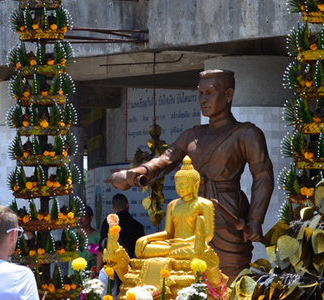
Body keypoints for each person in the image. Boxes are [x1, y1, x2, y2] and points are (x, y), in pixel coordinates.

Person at [111, 69, 275, 280]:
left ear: (228, 94)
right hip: (190, 212)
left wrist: (255, 218)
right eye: (200, 93)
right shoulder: (192, 135)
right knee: (187, 277)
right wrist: (137, 173)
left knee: (227, 280)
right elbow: (165, 160)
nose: (203, 99)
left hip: (226, 212)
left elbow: (262, 175)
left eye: (210, 93)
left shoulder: (246, 133)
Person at [98, 194, 145, 259]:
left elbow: (101, 250)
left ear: (113, 208)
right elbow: (141, 251)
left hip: (111, 265)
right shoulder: (138, 226)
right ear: (127, 205)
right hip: (132, 265)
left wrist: (98, 268)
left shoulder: (107, 223)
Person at [76, 206, 101, 271]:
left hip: (91, 274)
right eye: (78, 216)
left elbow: (100, 256)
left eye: (83, 216)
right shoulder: (72, 235)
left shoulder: (97, 236)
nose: (80, 218)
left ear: (90, 217)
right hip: (74, 274)